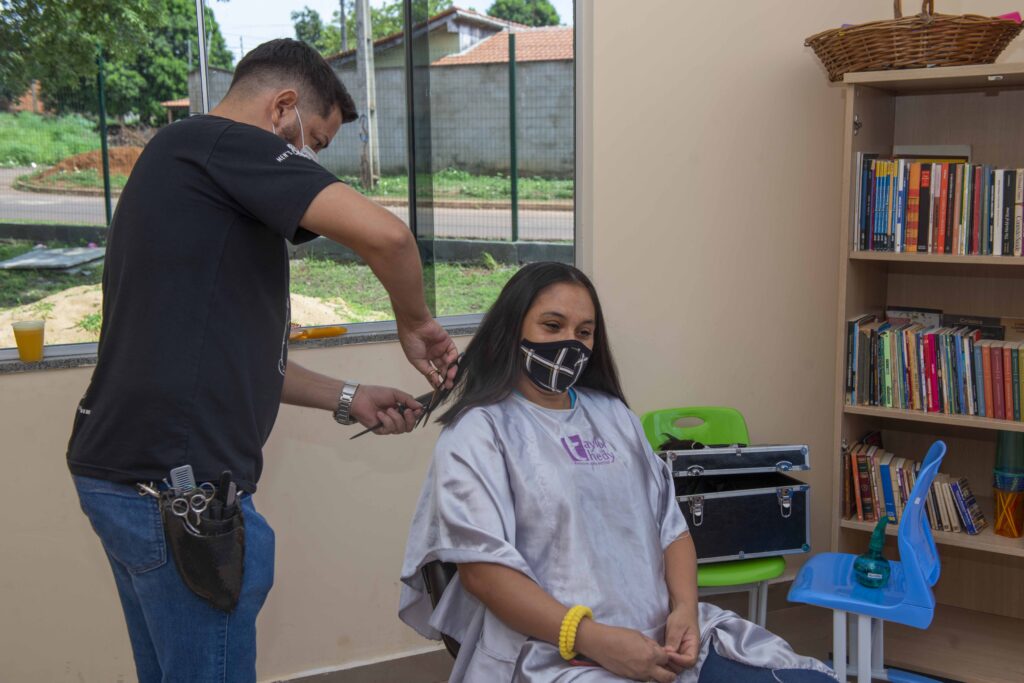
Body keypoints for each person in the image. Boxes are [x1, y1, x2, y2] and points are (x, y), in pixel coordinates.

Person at [67, 39, 456, 682]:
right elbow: (388, 236)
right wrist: (414, 323)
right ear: (282, 109)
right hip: (176, 492)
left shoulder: (190, 172)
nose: (311, 161)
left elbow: (220, 358)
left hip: (129, 476)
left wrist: (347, 395)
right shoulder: (220, 142)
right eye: (317, 143)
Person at [399, 262, 836, 682]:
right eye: (552, 326)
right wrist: (594, 640)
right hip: (551, 654)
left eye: (584, 332)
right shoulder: (478, 431)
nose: (570, 343)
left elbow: (672, 528)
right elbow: (483, 573)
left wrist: (684, 609)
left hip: (663, 638)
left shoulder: (613, 416)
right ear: (512, 330)